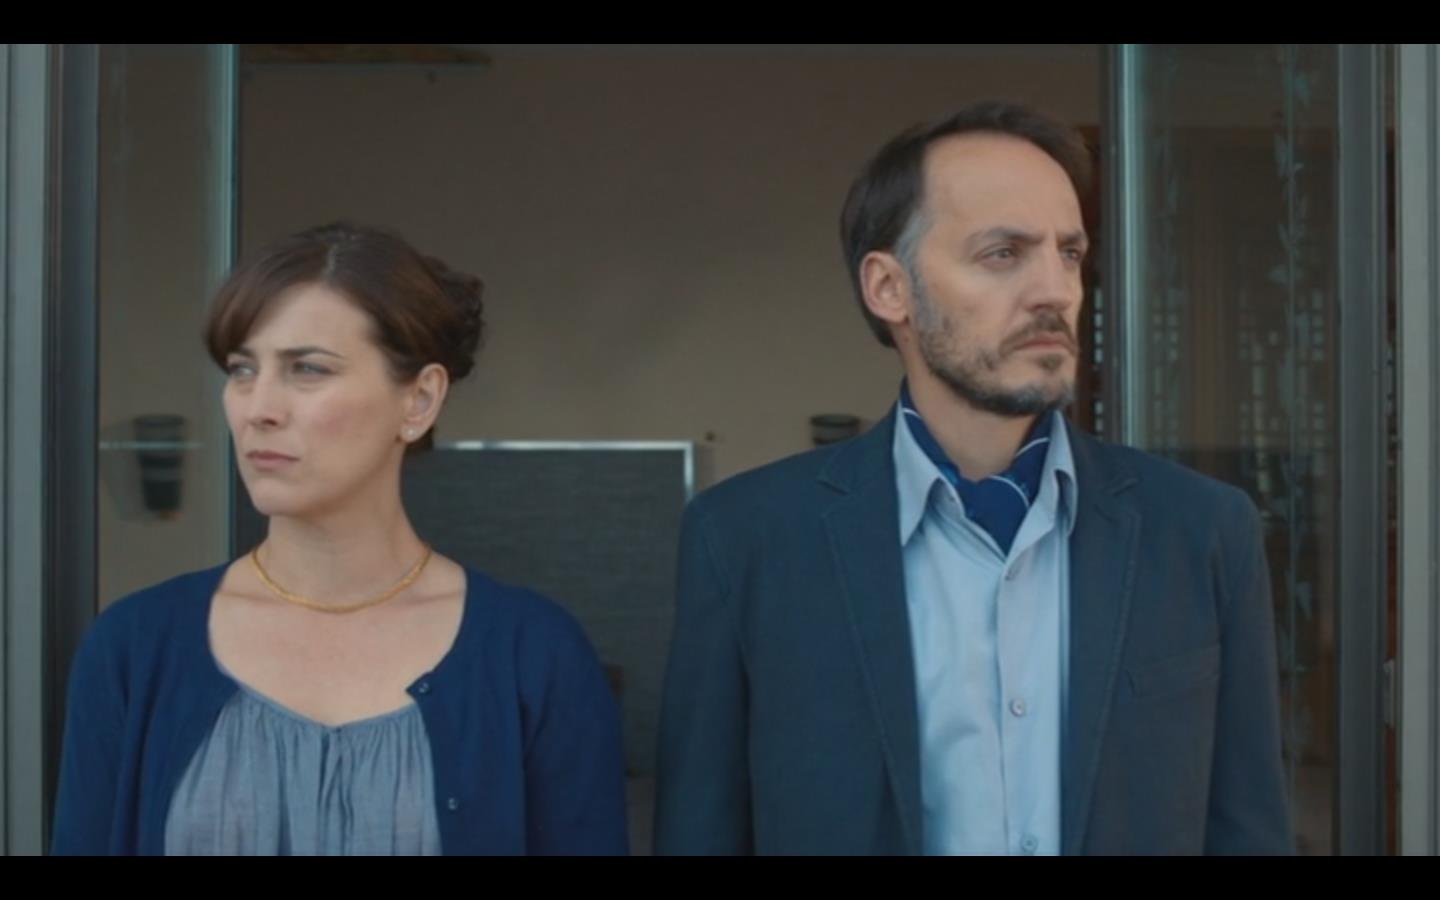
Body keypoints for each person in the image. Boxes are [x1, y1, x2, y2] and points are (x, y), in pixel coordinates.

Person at [654, 101, 1292, 855]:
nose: (1055, 290)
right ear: (889, 288)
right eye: (1003, 253)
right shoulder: (744, 540)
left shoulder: (1202, 530)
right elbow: (701, 829)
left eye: (1069, 253)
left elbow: (1248, 827)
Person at [53, 222, 628, 856]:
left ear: (419, 400)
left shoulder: (535, 657)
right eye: (242, 369)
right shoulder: (135, 648)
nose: (258, 408)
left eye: (307, 369)